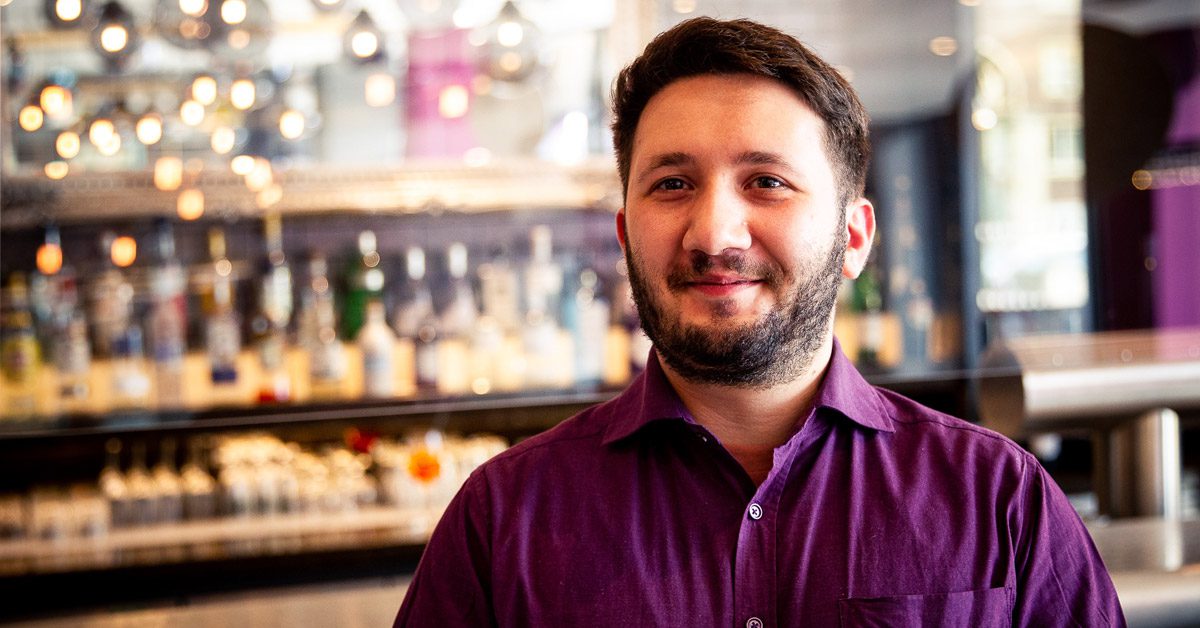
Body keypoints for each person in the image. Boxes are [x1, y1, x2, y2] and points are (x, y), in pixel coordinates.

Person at [395, 17, 1124, 627]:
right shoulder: (502, 521)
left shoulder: (998, 499)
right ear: (625, 234)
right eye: (672, 184)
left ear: (856, 238)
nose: (715, 234)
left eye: (767, 182)